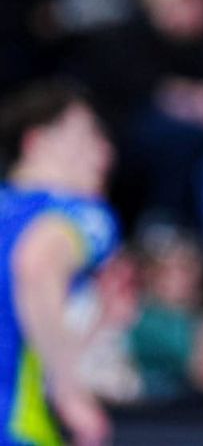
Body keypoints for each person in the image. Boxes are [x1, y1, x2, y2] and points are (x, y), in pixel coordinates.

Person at [0, 81, 121, 446]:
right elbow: (37, 265)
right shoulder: (80, 212)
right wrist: (69, 392)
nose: (105, 152)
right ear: (36, 142)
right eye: (87, 136)